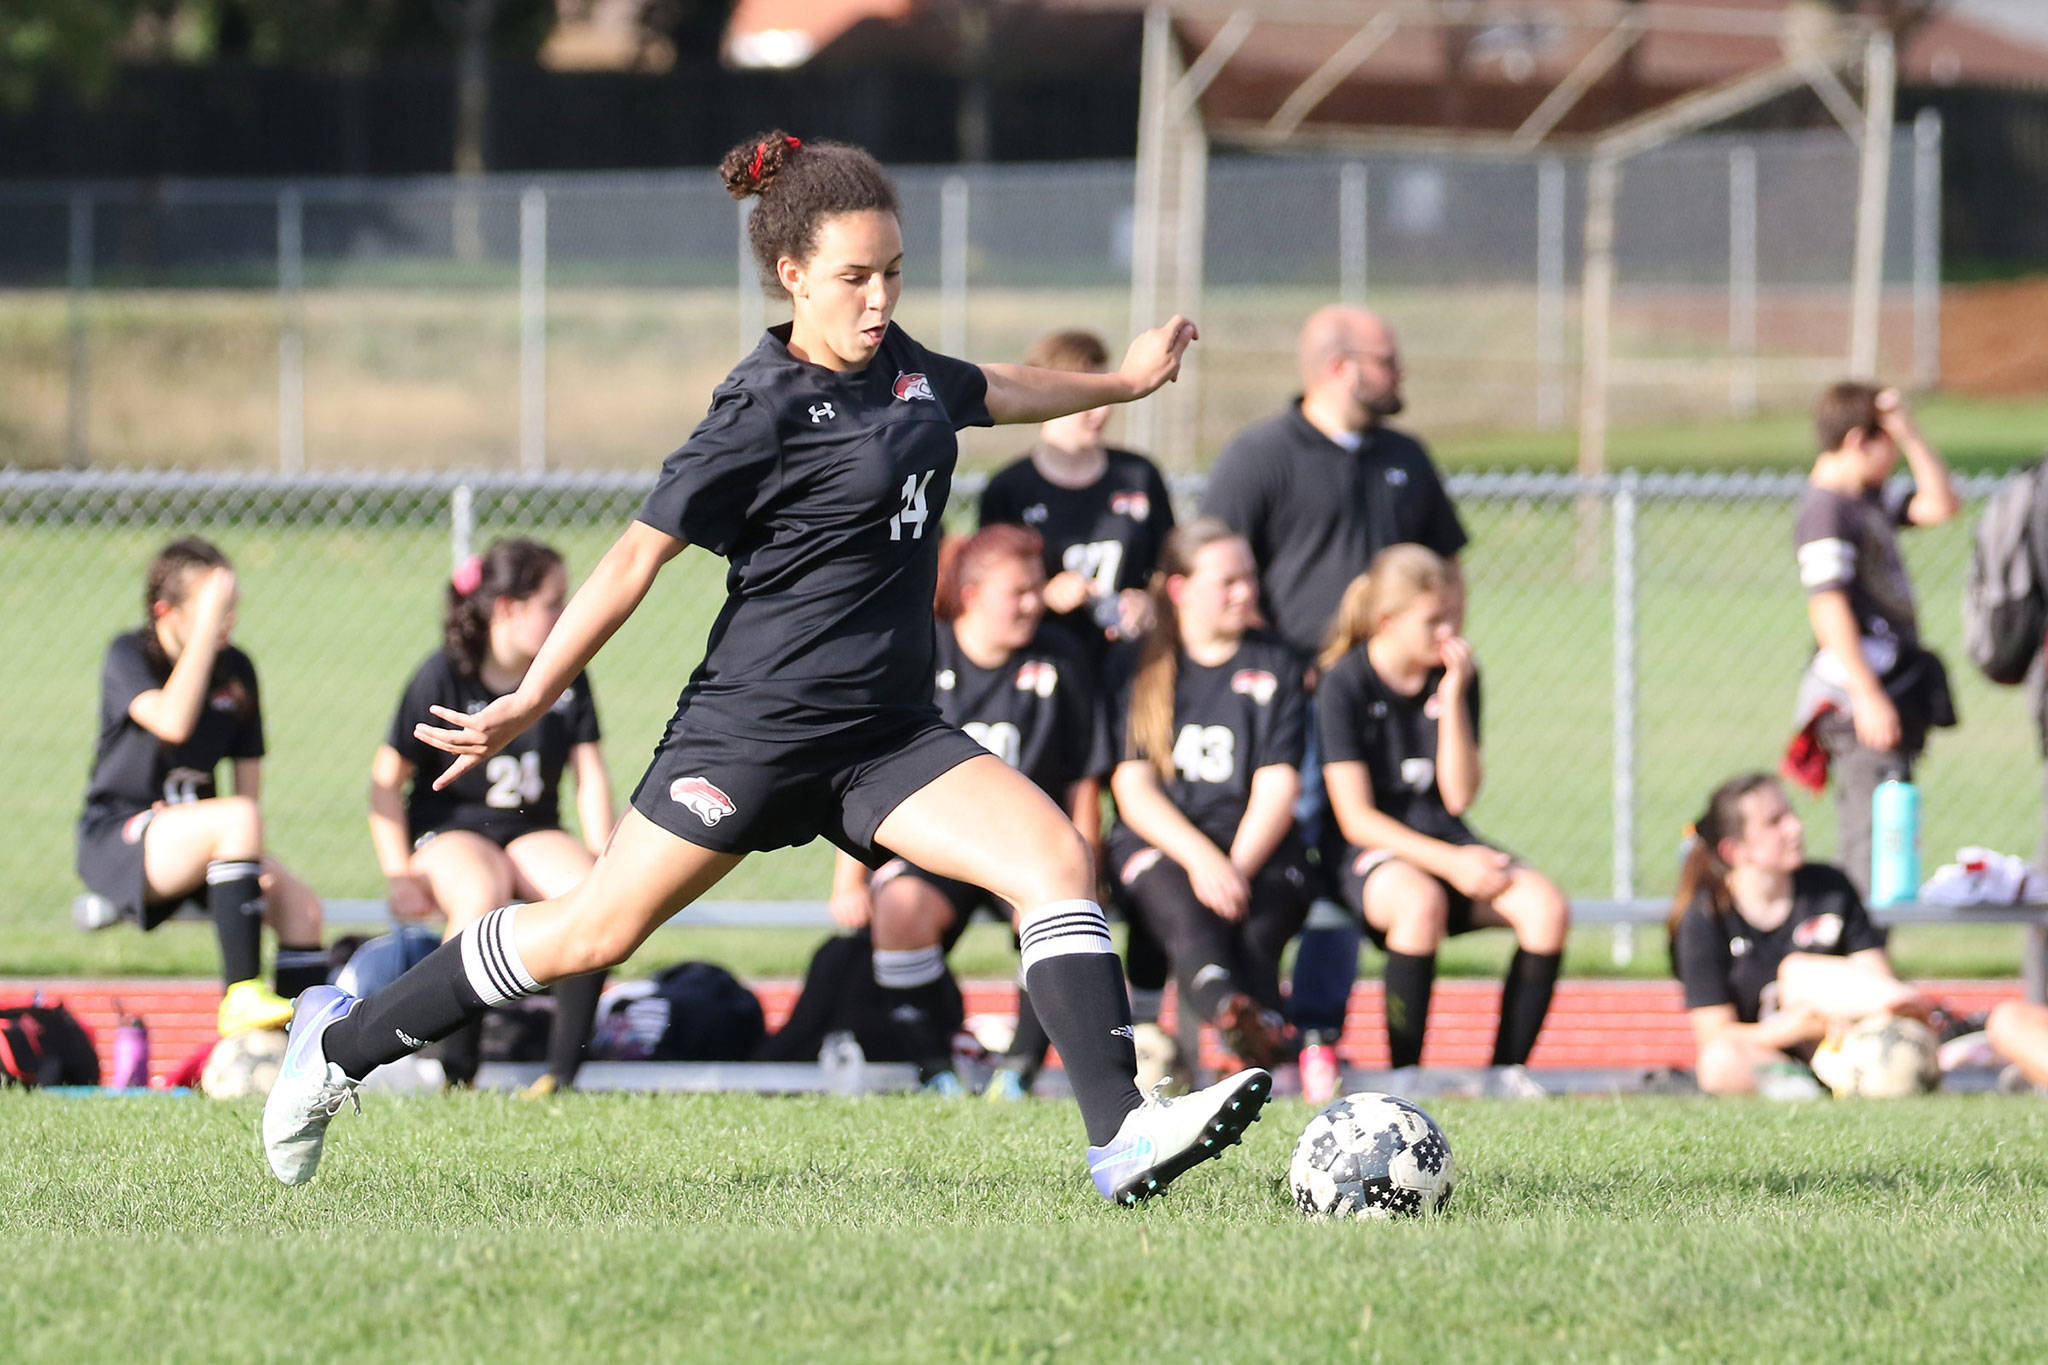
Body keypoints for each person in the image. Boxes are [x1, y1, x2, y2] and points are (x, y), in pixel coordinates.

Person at [263, 131, 1270, 1205]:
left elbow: (995, 387)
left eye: (891, 274)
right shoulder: (756, 412)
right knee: (591, 929)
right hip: (749, 735)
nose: (878, 298)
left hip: (885, 736)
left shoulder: (904, 367)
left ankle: (1119, 1139)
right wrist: (531, 696)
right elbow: (630, 560)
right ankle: (336, 1046)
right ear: (791, 276)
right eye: (853, 279)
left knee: (1054, 861)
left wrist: (1120, 378)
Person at [1200, 306, 1470, 1097]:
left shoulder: (1405, 459)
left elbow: (1448, 573)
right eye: (1388, 360)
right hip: (1287, 708)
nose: (1401, 374)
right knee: (1283, 860)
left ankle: (1319, 1029)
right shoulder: (1260, 457)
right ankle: (1247, 1020)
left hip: (1380, 714)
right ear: (1340, 367)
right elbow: (1217, 572)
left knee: (1350, 869)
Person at [814, 524, 1111, 1095]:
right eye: (1017, 593)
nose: (1034, 603)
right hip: (940, 843)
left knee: (1051, 911)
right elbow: (864, 772)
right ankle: (937, 1071)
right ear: (972, 595)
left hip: (1027, 847)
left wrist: (1087, 861)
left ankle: (1017, 1073)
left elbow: (1082, 781)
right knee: (899, 908)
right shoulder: (921, 651)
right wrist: (849, 879)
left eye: (1037, 589)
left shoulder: (1062, 658)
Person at [367, 538, 614, 1096]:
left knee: (595, 895)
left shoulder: (566, 675)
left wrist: (604, 853)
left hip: (529, 828)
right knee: (480, 893)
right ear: (507, 607)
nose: (565, 614)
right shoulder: (442, 675)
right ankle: (458, 1073)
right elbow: (383, 787)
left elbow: (590, 775)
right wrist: (398, 872)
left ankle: (561, 1077)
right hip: (451, 830)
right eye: (553, 603)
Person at [1316, 545, 1568, 1079]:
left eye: (1453, 615)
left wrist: (1453, 700)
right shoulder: (1344, 683)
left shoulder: (1455, 675)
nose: (1448, 631)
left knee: (1544, 906)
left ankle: (1507, 1075)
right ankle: (1406, 1076)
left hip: (1443, 838)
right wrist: (1452, 865)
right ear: (1386, 621)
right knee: (1419, 902)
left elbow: (1458, 798)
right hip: (1370, 853)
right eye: (1433, 620)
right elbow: (1356, 818)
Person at [76, 538, 326, 1036]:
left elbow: (248, 797)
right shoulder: (129, 654)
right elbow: (172, 721)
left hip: (212, 844)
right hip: (123, 838)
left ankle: (304, 1047)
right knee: (234, 816)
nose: (227, 620)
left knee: (302, 906)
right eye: (214, 608)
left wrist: (248, 868)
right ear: (164, 611)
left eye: (230, 608)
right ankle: (240, 995)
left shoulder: (237, 669)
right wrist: (202, 638)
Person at [1106, 519, 1312, 1071]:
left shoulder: (1277, 662)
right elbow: (1133, 787)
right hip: (1166, 840)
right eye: (1228, 581)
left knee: (1260, 917)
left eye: (1250, 577)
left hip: (1253, 842)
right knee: (1186, 909)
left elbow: (1278, 783)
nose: (1246, 591)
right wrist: (1203, 862)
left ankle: (1238, 1038)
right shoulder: (1140, 665)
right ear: (1181, 590)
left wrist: (1234, 867)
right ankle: (1240, 1025)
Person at [1788, 382, 1959, 897]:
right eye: (1887, 443)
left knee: (1889, 846)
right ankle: (1860, 962)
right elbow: (1827, 603)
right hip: (1859, 697)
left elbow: (1941, 504)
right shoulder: (1825, 510)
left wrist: (1909, 435)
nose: (1894, 458)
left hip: (1887, 686)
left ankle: (1865, 959)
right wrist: (1867, 695)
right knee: (1872, 853)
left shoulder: (1866, 498)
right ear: (1860, 439)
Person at [1671, 771, 1930, 1096]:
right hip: (1771, 1060)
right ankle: (1807, 1091)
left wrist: (1834, 1012)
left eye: (1791, 813)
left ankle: (1927, 1033)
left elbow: (1876, 976)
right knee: (1718, 1063)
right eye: (1775, 821)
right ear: (1735, 851)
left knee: (1798, 972)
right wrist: (1793, 1028)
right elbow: (1714, 1033)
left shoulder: (1830, 887)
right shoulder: (1705, 918)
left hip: (1850, 1043)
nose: (1795, 827)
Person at [978, 328, 1176, 660]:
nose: (1101, 411)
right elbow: (987, 591)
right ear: (1050, 394)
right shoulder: (1010, 489)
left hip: (1127, 664)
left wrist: (1148, 601)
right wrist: (1044, 595)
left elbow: (1169, 565)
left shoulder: (1139, 476)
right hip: (1043, 665)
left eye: (1105, 394)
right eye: (1088, 396)